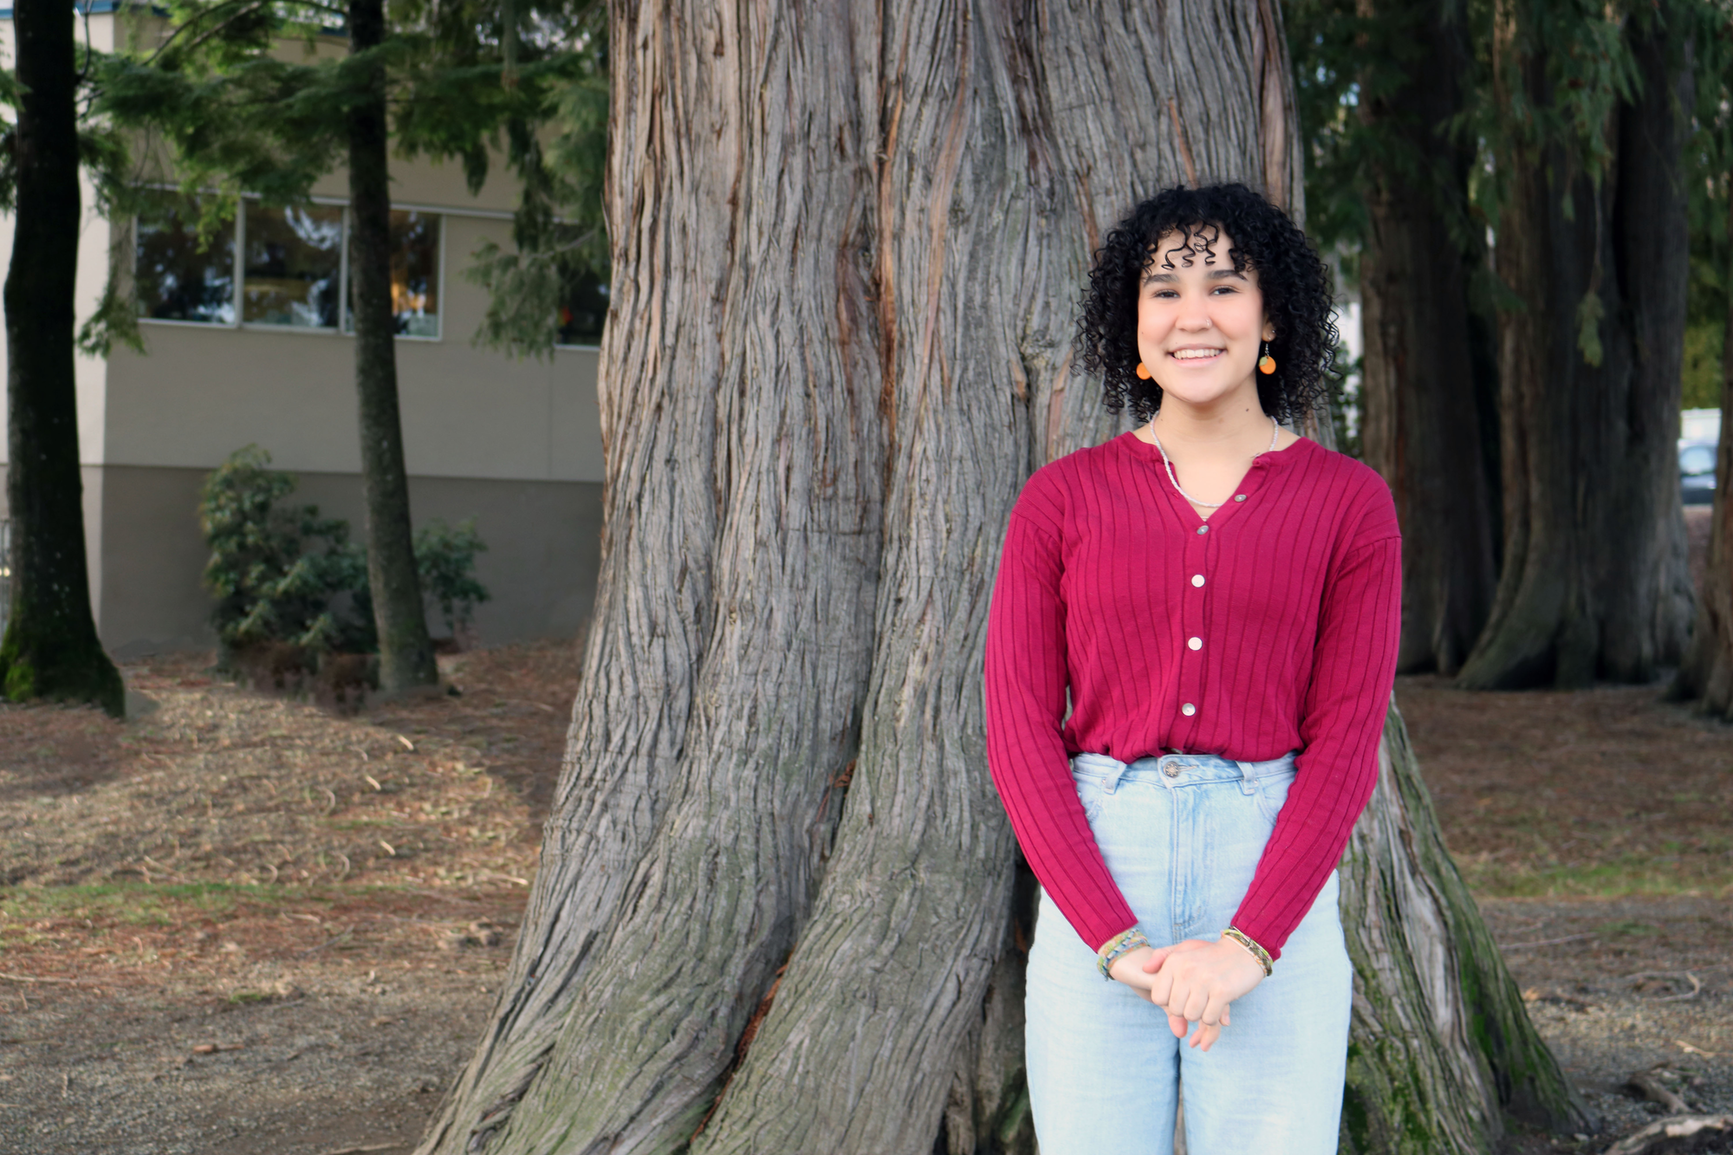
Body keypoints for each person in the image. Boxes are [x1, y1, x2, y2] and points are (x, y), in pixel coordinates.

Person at [983, 182, 1401, 1154]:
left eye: (1223, 286)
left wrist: (1250, 945)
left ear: (1269, 316)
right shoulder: (1059, 501)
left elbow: (1344, 743)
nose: (1192, 315)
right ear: (1132, 325)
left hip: (1271, 864)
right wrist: (1110, 937)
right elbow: (1017, 732)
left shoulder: (1348, 504)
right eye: (1164, 291)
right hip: (1099, 862)